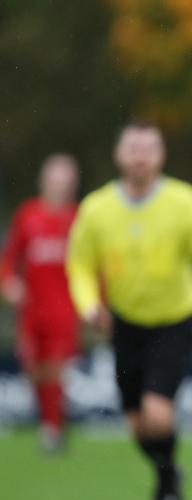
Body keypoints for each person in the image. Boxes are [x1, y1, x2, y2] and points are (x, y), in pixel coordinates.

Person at [66, 122, 192, 500]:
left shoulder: (185, 202)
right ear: (119, 154)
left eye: (149, 148)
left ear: (161, 156)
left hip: (176, 321)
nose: (140, 156)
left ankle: (167, 485)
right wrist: (89, 305)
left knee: (158, 414)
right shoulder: (96, 209)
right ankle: (168, 474)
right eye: (133, 148)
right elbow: (79, 265)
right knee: (137, 424)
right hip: (125, 325)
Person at [1, 154, 80, 452]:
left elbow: (93, 265)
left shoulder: (78, 218)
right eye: (54, 180)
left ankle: (52, 430)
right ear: (43, 181)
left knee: (56, 369)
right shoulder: (27, 215)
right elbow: (9, 260)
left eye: (66, 181)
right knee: (33, 370)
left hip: (64, 310)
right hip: (31, 310)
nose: (60, 187)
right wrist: (9, 282)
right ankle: (52, 419)